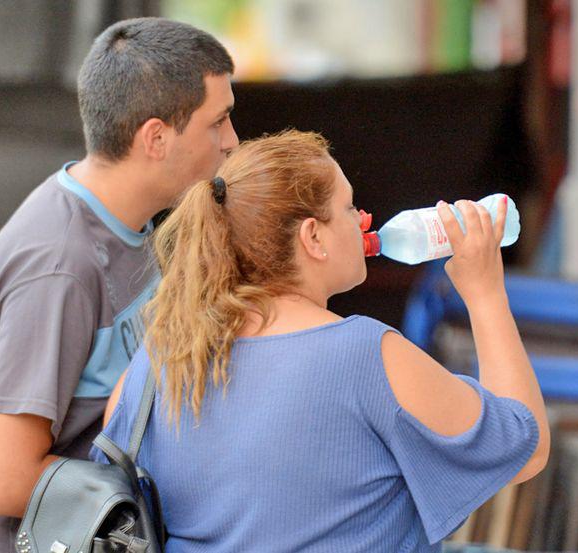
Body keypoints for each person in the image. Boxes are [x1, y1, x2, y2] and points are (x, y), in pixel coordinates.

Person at [94, 130, 551, 552]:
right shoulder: (363, 354)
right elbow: (522, 449)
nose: (365, 219)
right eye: (350, 208)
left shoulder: (157, 364)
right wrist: (486, 293)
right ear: (313, 237)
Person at [0, 18, 239, 552]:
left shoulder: (129, 223)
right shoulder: (58, 268)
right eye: (219, 122)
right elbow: (1, 480)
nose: (232, 142)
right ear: (156, 138)